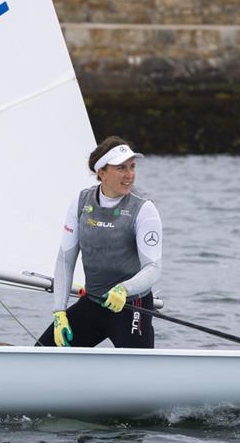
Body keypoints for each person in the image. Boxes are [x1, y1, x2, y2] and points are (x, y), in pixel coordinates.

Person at [35, 136, 162, 348]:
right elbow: (65, 260)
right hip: (94, 302)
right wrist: (59, 313)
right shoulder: (81, 202)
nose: (129, 175)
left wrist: (123, 289)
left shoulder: (144, 209)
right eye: (121, 168)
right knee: (41, 351)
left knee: (137, 372)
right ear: (101, 172)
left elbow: (153, 268)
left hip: (132, 305)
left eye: (132, 167)